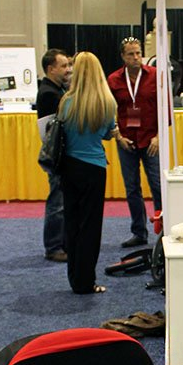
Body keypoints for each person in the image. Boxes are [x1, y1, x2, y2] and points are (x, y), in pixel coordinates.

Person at [58, 51, 120, 295]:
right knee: (90, 226)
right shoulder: (106, 103)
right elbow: (107, 134)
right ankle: (86, 281)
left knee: (72, 223)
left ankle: (74, 277)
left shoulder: (66, 101)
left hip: (69, 167)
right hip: (94, 168)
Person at [107, 36, 162, 247]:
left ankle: (163, 229)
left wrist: (158, 137)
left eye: (138, 53)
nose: (136, 57)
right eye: (131, 54)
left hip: (151, 141)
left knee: (157, 187)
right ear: (123, 56)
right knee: (132, 189)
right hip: (127, 141)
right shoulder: (113, 80)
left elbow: (164, 107)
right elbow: (109, 111)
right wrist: (117, 136)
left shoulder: (155, 76)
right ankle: (139, 232)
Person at [36, 48, 71, 261]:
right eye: (64, 66)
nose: (67, 70)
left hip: (59, 154)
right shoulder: (49, 93)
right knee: (57, 202)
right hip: (58, 155)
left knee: (61, 200)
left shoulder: (54, 89)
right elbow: (52, 131)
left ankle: (60, 243)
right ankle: (53, 246)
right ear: (51, 69)